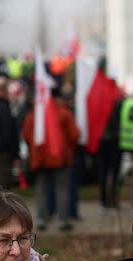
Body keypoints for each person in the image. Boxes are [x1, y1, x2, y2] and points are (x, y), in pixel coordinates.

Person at [22, 86, 80, 231]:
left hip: (40, 159)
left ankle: (42, 219)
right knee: (62, 189)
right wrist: (68, 149)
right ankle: (63, 220)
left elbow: (27, 136)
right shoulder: (64, 114)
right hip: (61, 158)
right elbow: (74, 135)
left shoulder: (34, 115)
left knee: (41, 189)